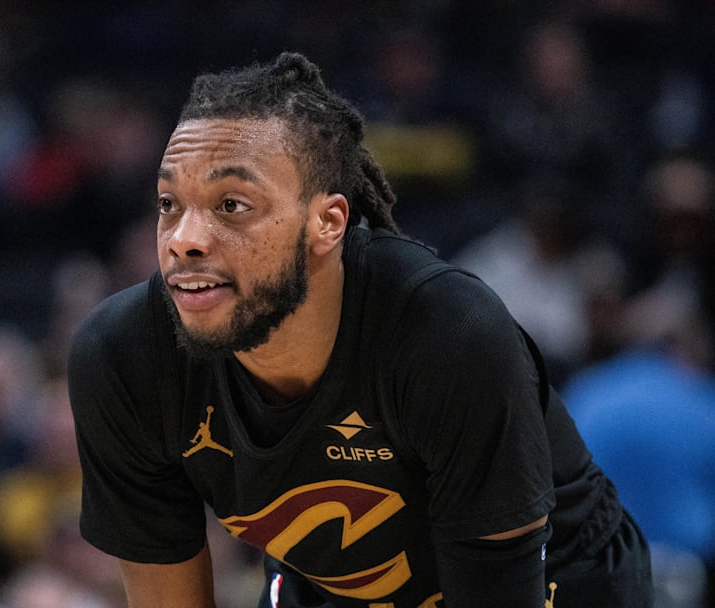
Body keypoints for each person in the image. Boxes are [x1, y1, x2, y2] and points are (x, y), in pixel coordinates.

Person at [67, 52, 653, 607]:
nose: (183, 239)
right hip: (336, 589)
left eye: (232, 205)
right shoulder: (123, 357)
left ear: (328, 223)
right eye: (169, 203)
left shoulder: (448, 335)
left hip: (555, 578)